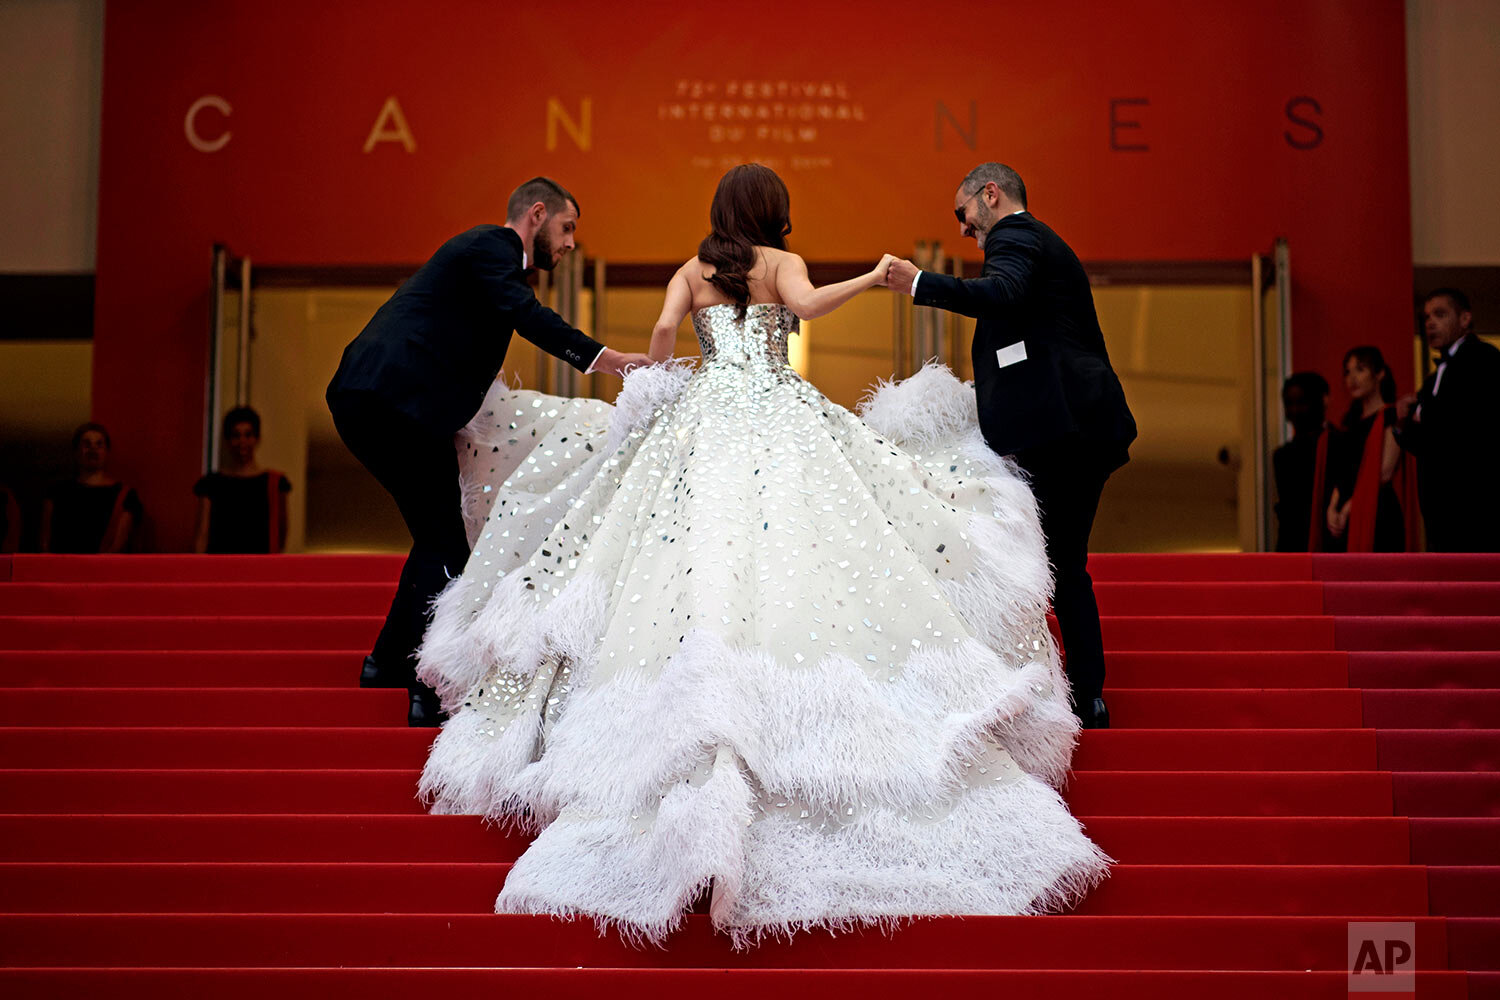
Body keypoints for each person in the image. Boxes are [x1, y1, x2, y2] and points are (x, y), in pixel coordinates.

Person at [415, 164, 1107, 945]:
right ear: (774, 212)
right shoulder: (783, 267)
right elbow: (809, 307)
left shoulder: (692, 269)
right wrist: (873, 277)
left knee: (692, 555)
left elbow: (665, 340)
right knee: (819, 548)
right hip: (781, 417)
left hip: (707, 421)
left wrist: (651, 373)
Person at [327, 177, 652, 727]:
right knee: (447, 545)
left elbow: (464, 328)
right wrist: (606, 357)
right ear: (537, 214)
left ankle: (385, 662)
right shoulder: (492, 246)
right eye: (567, 228)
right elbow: (524, 315)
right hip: (392, 402)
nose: (571, 243)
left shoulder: (484, 263)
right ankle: (426, 685)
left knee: (436, 539)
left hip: (382, 403)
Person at [884, 163, 1136, 730]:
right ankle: (1083, 695)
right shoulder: (1038, 244)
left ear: (990, 195)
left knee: (1046, 564)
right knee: (1063, 565)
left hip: (1062, 429)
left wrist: (920, 283)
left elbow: (1004, 293)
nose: (965, 228)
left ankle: (1049, 692)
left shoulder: (1016, 235)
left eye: (964, 213)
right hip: (1074, 428)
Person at [1396, 288, 1500, 551]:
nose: (1429, 322)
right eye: (1426, 316)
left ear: (1465, 318)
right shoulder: (1434, 378)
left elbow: (1465, 423)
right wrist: (1405, 421)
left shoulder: (1483, 359)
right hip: (1441, 508)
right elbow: (1423, 438)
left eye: (1440, 314)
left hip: (1474, 501)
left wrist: (1421, 413)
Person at [1315, 347, 1404, 552]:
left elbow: (1384, 472)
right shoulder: (1349, 423)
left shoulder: (1391, 416)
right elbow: (1343, 472)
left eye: (1360, 369)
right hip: (1346, 512)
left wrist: (1349, 507)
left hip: (1377, 511)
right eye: (1347, 372)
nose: (1352, 378)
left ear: (1380, 374)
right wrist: (1333, 507)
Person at [193, 407, 292, 554]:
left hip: (260, 568)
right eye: (236, 435)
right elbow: (202, 533)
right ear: (228, 440)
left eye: (248, 435)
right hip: (220, 567)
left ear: (257, 438)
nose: (242, 441)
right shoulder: (211, 483)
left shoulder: (275, 482)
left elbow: (281, 533)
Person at [40, 422, 142, 553]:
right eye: (86, 444)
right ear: (76, 451)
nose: (92, 449)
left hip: (103, 570)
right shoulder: (56, 492)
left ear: (106, 451)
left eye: (99, 444)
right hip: (60, 568)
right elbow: (44, 543)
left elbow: (117, 547)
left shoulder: (125, 496)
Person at [1272, 372, 1330, 552]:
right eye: (1289, 403)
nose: (1295, 410)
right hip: (1292, 546)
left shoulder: (1337, 444)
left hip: (1329, 546)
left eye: (1302, 402)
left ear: (1322, 401)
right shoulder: (1282, 455)